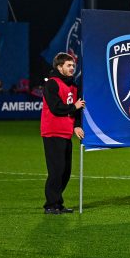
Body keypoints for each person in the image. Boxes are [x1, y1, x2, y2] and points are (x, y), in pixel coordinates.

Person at [40, 53, 85, 214]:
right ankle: (50, 205)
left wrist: (77, 125)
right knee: (56, 170)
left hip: (66, 133)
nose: (72, 68)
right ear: (59, 67)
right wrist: (74, 107)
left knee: (65, 170)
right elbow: (56, 107)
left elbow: (78, 110)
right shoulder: (52, 84)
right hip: (52, 132)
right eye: (68, 65)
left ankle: (58, 203)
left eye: (73, 65)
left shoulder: (73, 85)